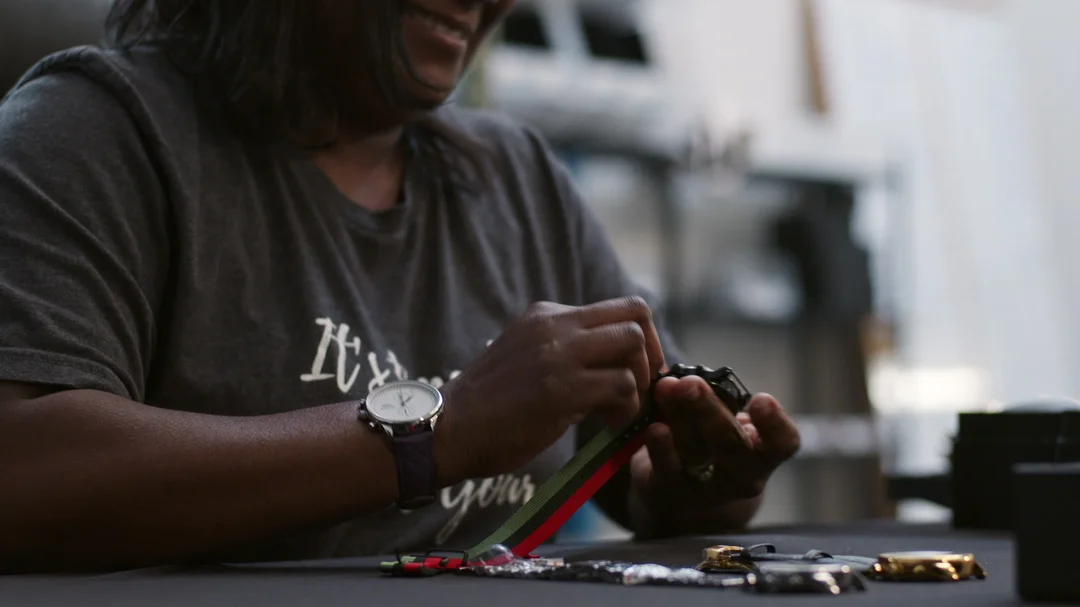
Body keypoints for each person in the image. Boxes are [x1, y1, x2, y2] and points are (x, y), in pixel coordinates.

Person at [0, 0, 801, 572]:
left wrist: (699, 481)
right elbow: (24, 472)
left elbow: (641, 481)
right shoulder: (96, 131)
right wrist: (434, 435)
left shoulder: (516, 179)